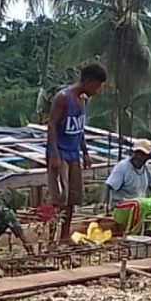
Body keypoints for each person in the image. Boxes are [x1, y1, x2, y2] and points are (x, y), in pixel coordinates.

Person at [47, 63, 107, 241]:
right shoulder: (63, 98)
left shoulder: (82, 100)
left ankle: (65, 236)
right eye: (96, 86)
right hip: (61, 153)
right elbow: (51, 125)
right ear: (89, 82)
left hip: (74, 154)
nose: (97, 91)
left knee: (73, 197)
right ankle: (51, 238)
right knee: (60, 197)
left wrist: (85, 152)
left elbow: (79, 129)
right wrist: (54, 154)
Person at [104, 139, 151, 205]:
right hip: (123, 206)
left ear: (148, 156)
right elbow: (108, 186)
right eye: (137, 153)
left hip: (139, 205)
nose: (138, 156)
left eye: (142, 154)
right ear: (132, 153)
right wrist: (104, 204)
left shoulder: (146, 168)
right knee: (141, 203)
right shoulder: (122, 166)